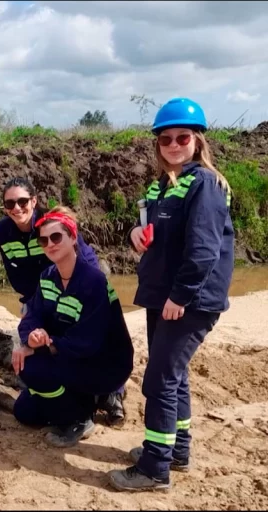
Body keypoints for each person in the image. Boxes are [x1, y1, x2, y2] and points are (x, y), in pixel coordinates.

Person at [108, 98, 234, 491]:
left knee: (159, 380)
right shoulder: (163, 184)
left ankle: (154, 468)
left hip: (187, 301)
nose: (174, 144)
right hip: (162, 295)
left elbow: (203, 251)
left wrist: (180, 297)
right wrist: (135, 233)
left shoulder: (205, 185)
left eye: (182, 137)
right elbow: (152, 230)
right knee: (173, 377)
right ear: (158, 144)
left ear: (198, 141)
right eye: (166, 139)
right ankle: (176, 450)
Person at [0, 176, 127, 425]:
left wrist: (80, 290)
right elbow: (15, 272)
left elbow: (81, 260)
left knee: (88, 339)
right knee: (29, 390)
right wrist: (35, 307)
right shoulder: (3, 232)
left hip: (74, 284)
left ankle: (110, 393)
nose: (17, 208)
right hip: (46, 287)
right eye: (10, 204)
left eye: (22, 201)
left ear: (34, 201)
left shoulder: (51, 225)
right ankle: (66, 389)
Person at [11, 206, 134, 447]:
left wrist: (43, 346)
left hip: (104, 364)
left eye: (56, 237)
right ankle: (86, 400)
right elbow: (32, 315)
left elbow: (88, 340)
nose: (50, 244)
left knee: (31, 367)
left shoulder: (93, 281)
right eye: (44, 240)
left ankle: (79, 418)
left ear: (73, 238)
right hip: (72, 356)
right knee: (24, 411)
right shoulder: (47, 277)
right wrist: (32, 336)